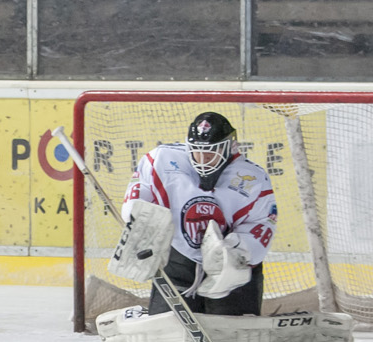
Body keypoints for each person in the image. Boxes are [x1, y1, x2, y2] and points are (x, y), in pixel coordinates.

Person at [117, 111, 276, 316]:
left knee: (232, 330)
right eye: (197, 151)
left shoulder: (252, 177)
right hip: (177, 263)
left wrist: (237, 249)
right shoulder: (161, 160)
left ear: (229, 147)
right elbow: (140, 192)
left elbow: (262, 223)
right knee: (166, 327)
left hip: (230, 271)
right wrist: (137, 216)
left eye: (210, 152)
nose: (203, 159)